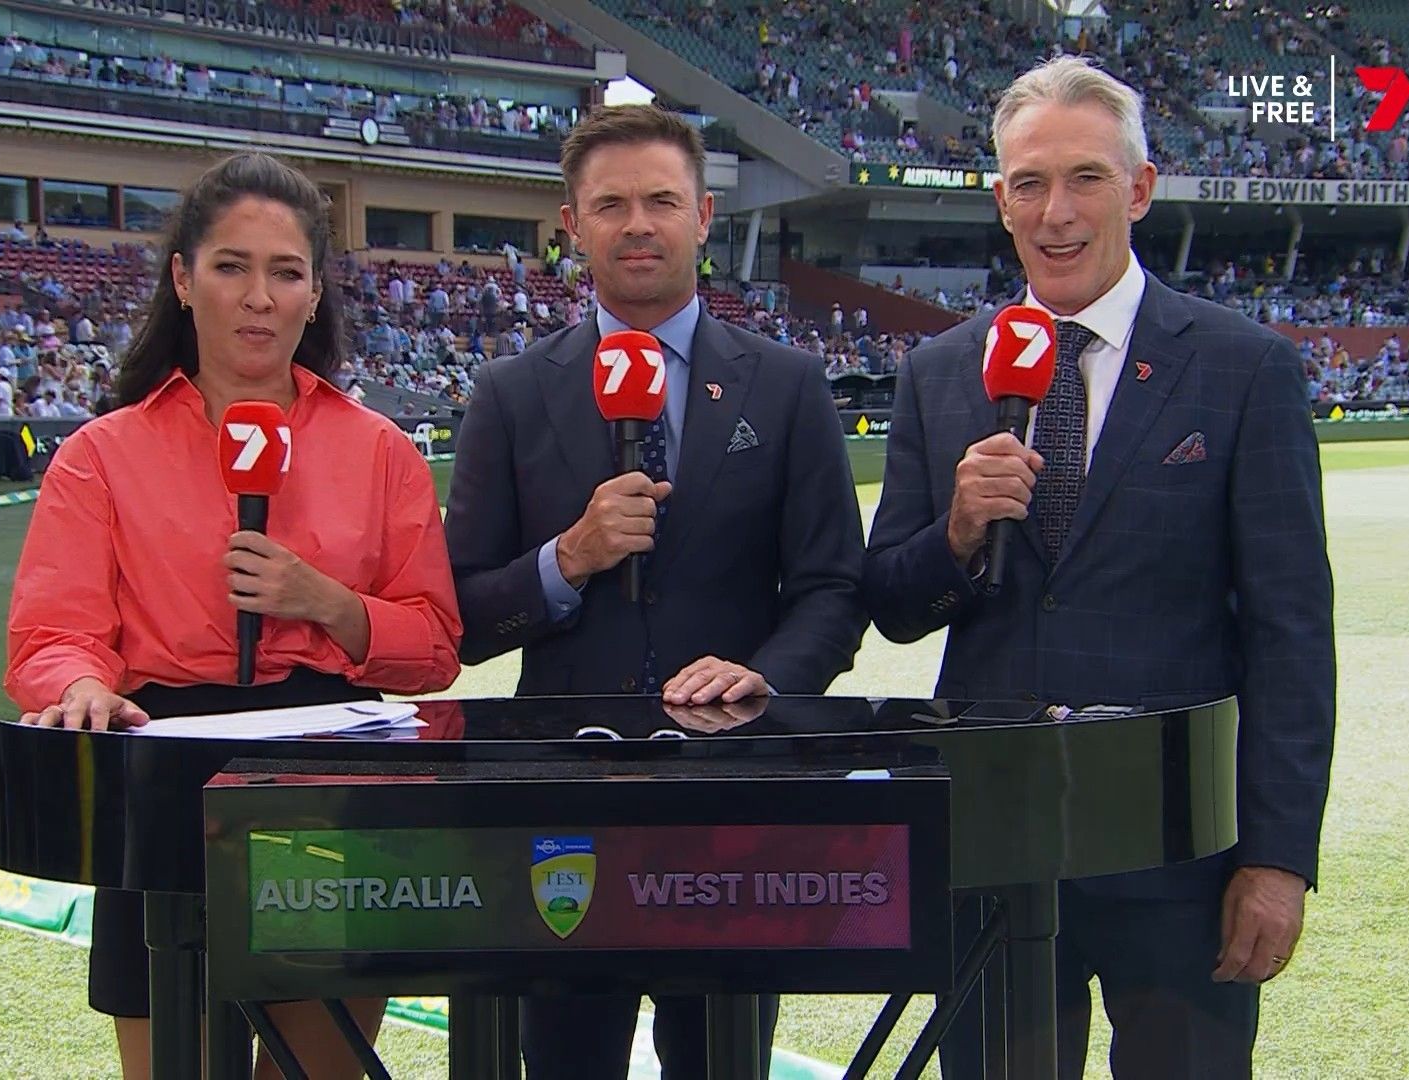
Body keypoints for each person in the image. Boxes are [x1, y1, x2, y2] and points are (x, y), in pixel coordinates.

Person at [861, 57, 1335, 1078]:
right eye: (1030, 184)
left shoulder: (1243, 366)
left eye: (1086, 178)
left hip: (1180, 853)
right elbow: (892, 603)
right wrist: (956, 533)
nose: (1057, 212)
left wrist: (1278, 859)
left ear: (1140, 188)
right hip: (993, 842)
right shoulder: (941, 372)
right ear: (1001, 200)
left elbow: (1292, 636)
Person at [3, 151, 463, 1080]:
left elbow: (435, 649)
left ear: (314, 294)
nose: (259, 297)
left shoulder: (381, 453)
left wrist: (327, 604)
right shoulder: (101, 455)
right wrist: (80, 684)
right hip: (160, 785)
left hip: (333, 783)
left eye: (285, 272)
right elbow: (52, 635)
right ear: (183, 279)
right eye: (231, 267)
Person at [443, 104, 869, 1080]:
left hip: (734, 800)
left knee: (721, 1064)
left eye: (661, 201)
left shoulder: (789, 385)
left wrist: (762, 680)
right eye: (611, 205)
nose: (638, 224)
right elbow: (458, 617)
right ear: (572, 225)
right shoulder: (510, 393)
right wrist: (568, 559)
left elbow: (833, 589)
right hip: (563, 804)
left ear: (704, 215)